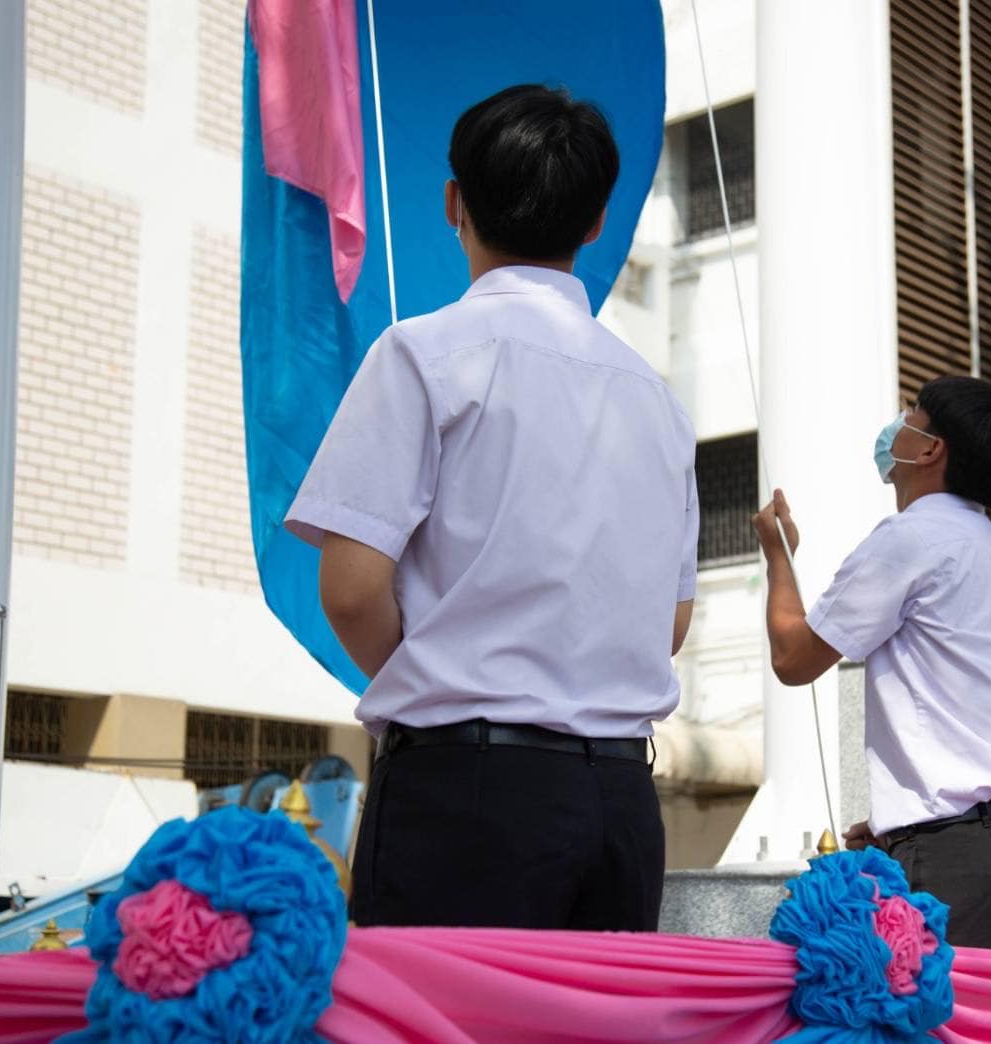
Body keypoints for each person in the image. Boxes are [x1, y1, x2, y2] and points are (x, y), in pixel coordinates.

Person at [285, 85, 699, 931]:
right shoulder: (656, 400)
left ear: (453, 203)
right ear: (594, 223)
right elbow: (672, 618)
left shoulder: (422, 355)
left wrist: (452, 672)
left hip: (464, 791)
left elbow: (352, 589)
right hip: (622, 803)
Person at [751, 376, 991, 955]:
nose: (899, 420)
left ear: (928, 448)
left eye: (912, 413)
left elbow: (794, 658)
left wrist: (778, 556)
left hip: (962, 858)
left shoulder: (911, 537)